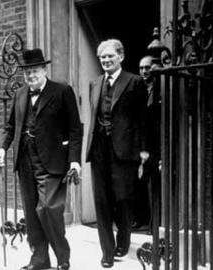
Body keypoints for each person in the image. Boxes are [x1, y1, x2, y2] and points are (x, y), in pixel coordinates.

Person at [0, 48, 82, 270]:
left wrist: (74, 160)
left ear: (44, 69)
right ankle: (39, 258)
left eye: (34, 71)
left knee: (48, 208)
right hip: (24, 161)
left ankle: (63, 257)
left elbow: (74, 130)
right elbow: (10, 126)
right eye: (26, 72)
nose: (30, 76)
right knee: (32, 213)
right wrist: (2, 148)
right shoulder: (20, 94)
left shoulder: (62, 91)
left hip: (52, 161)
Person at [85, 39, 148, 268]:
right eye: (102, 57)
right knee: (101, 201)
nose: (106, 60)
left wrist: (143, 150)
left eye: (110, 56)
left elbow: (143, 119)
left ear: (120, 56)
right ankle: (107, 252)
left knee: (123, 199)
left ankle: (124, 239)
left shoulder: (135, 82)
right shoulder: (94, 83)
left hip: (125, 150)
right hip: (99, 148)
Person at [133, 55, 161, 233]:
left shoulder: (161, 88)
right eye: (141, 68)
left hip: (156, 143)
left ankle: (155, 223)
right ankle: (140, 219)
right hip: (140, 143)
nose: (144, 71)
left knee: (154, 185)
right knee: (138, 182)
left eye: (147, 67)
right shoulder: (137, 88)